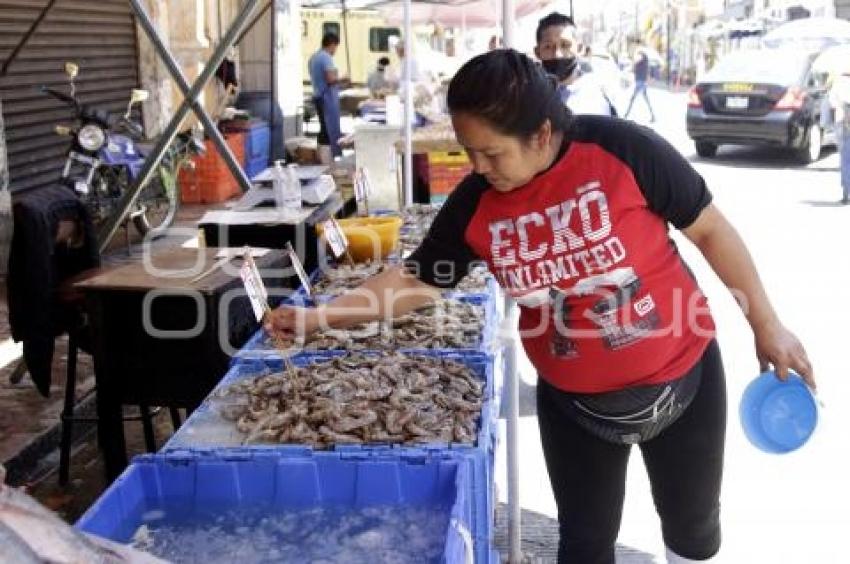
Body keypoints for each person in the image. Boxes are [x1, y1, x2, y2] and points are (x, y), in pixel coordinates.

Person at [266, 50, 815, 564]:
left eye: (492, 152)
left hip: (683, 381)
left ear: (542, 134)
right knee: (583, 543)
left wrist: (767, 325)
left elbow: (712, 230)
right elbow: (417, 279)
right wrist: (318, 318)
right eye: (468, 151)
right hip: (577, 408)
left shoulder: (623, 150)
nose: (478, 167)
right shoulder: (476, 201)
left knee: (693, 529)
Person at [535, 12, 617, 117]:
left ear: (579, 48)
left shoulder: (600, 93)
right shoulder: (530, 97)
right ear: (538, 53)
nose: (557, 54)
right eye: (548, 47)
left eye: (565, 45)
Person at [308, 32, 348, 160]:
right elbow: (330, 79)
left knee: (323, 129)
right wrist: (343, 79)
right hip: (327, 99)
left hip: (318, 96)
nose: (335, 50)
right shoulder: (326, 57)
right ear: (332, 44)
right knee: (329, 130)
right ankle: (328, 161)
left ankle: (322, 158)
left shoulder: (313, 57)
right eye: (336, 47)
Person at [829, 68, 850, 204]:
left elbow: (831, 104)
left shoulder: (839, 83)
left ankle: (846, 192)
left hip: (843, 122)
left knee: (845, 158)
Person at [624, 44, 657, 122]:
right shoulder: (644, 59)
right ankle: (653, 116)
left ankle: (626, 114)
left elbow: (635, 62)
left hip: (640, 81)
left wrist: (633, 61)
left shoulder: (642, 57)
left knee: (633, 98)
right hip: (641, 81)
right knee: (646, 99)